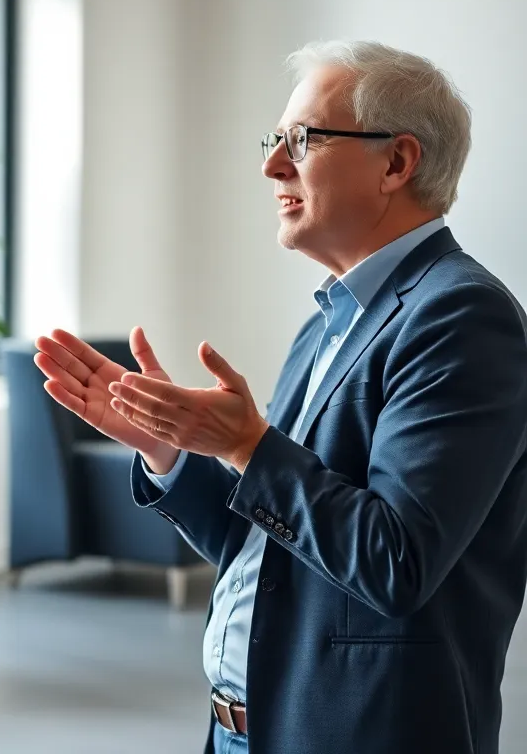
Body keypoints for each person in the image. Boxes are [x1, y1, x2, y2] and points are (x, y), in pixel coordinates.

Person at [37, 41, 527, 754]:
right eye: (275, 141)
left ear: (397, 163)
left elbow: (396, 563)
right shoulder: (324, 324)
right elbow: (265, 545)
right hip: (245, 729)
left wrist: (244, 445)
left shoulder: (462, 318)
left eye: (301, 140)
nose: (272, 166)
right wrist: (169, 450)